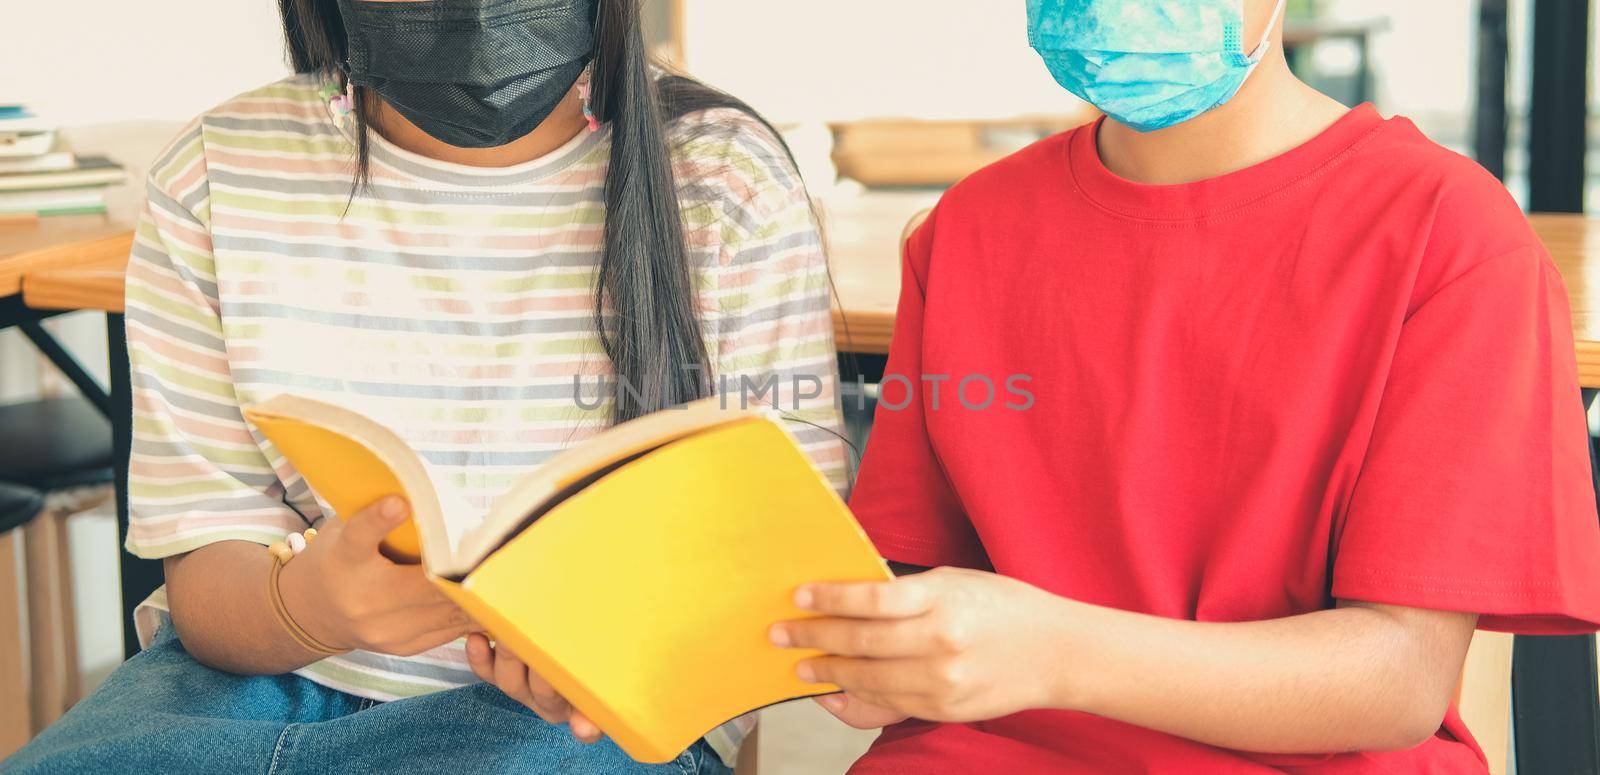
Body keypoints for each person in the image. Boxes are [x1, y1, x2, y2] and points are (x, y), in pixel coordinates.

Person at [9, 0, 842, 772]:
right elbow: (207, 576)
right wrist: (308, 608)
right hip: (248, 695)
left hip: (575, 723)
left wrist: (618, 660)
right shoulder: (215, 173)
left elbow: (775, 592)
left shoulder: (726, 179)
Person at [770, 0, 1600, 772]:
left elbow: (1400, 680)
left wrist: (1055, 653)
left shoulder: (1447, 237)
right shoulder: (964, 232)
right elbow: (907, 588)